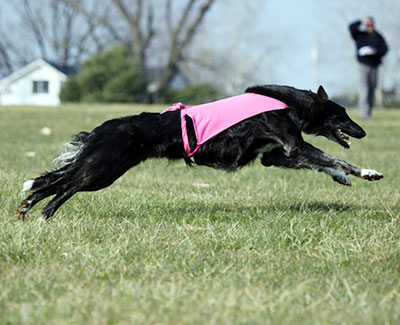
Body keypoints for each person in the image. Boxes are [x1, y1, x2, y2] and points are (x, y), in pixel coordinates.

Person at [349, 17, 388, 120]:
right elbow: (351, 27)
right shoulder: (360, 35)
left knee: (372, 89)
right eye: (368, 25)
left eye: (371, 25)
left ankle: (368, 113)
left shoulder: (378, 36)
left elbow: (385, 49)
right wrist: (361, 21)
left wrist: (376, 51)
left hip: (374, 66)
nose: (369, 27)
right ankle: (364, 114)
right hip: (363, 65)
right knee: (364, 89)